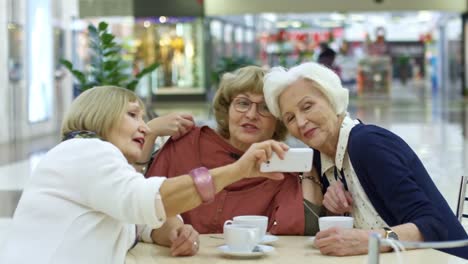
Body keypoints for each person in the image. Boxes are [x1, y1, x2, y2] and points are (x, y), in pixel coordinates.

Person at [0, 86, 290, 264]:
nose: (144, 127)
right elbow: (150, 200)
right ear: (102, 114)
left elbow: (142, 222)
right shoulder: (86, 151)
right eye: (133, 115)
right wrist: (238, 170)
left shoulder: (96, 162)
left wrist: (176, 231)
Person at [263, 62, 468, 259]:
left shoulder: (368, 144)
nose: (300, 121)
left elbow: (433, 226)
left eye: (307, 106)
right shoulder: (322, 158)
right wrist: (332, 209)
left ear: (332, 99)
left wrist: (374, 240)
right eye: (290, 118)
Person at [145, 65, 324, 236]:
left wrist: (310, 172)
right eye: (243, 103)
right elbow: (145, 203)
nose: (252, 115)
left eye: (265, 108)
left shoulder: (281, 167)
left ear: (278, 121)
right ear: (226, 108)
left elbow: (297, 229)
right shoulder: (186, 145)